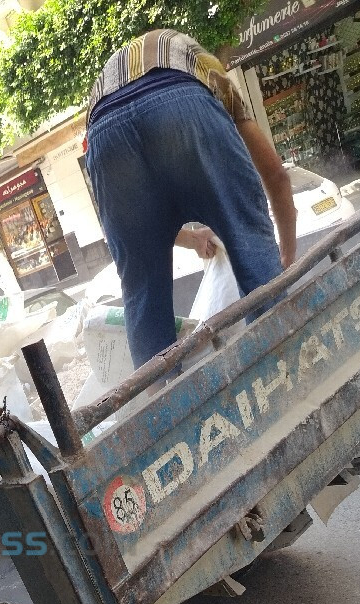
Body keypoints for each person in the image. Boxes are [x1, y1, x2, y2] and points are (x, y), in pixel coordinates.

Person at [85, 29, 297, 370]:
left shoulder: (105, 81)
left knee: (143, 293)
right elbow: (276, 176)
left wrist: (189, 238)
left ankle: (160, 404)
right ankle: (286, 364)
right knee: (247, 234)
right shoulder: (201, 63)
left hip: (103, 131)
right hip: (180, 101)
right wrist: (283, 256)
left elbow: (138, 230)